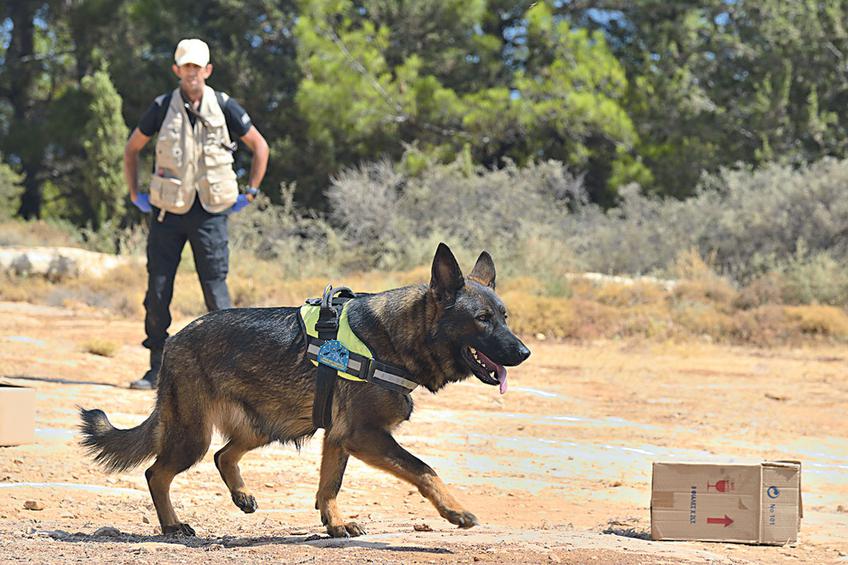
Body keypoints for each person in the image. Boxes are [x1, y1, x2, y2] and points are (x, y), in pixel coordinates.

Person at [124, 38, 269, 390]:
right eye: (185, 66)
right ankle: (156, 368)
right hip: (167, 213)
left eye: (197, 67)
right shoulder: (161, 107)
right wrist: (134, 193)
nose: (191, 73)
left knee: (216, 293)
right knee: (158, 291)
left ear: (208, 70)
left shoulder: (225, 106)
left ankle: (231, 372)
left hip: (210, 214)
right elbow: (133, 148)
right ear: (176, 70)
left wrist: (250, 191)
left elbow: (259, 146)